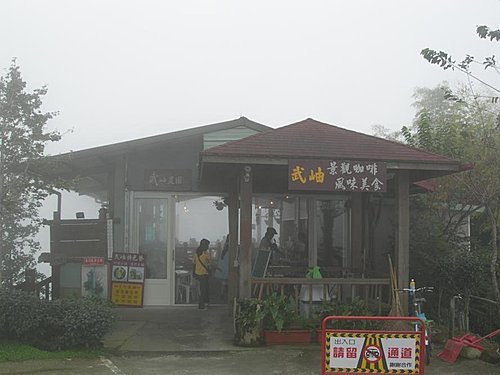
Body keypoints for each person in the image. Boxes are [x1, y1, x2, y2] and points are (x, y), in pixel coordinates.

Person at [193, 238, 211, 309]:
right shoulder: (206, 254)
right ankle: (201, 305)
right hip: (204, 273)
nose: (208, 247)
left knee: (202, 289)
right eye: (207, 245)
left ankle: (204, 303)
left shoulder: (196, 253)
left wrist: (194, 273)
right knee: (204, 289)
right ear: (205, 245)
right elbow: (209, 263)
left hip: (198, 273)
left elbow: (193, 264)